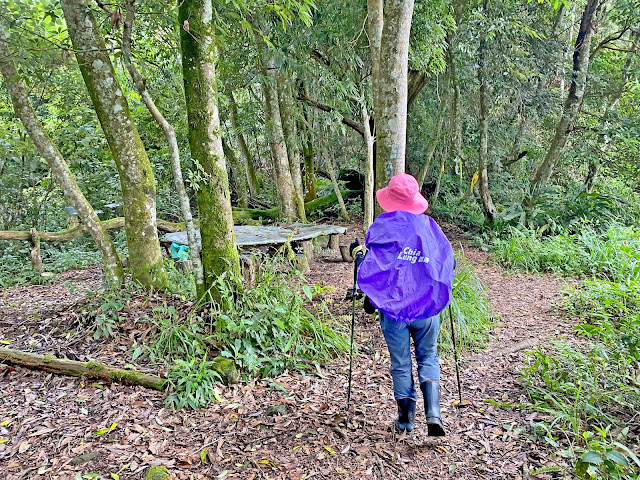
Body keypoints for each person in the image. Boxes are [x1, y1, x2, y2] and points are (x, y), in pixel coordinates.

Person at [350, 173, 455, 436]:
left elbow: (375, 267)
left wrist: (358, 256)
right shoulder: (430, 228)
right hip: (427, 307)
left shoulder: (381, 227)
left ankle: (406, 421)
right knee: (428, 356)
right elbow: (446, 261)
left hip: (393, 310)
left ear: (390, 199)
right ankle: (434, 414)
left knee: (401, 363)